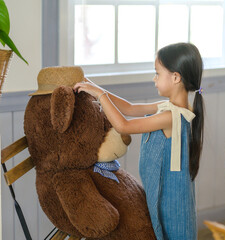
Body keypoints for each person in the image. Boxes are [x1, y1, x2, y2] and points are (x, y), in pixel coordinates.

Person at [73, 42, 204, 240]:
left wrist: (99, 95)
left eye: (158, 73)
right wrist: (91, 85)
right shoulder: (170, 108)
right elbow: (130, 108)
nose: (154, 78)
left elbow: (124, 125)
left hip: (172, 204)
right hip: (166, 200)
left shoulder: (171, 117)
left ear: (176, 77)